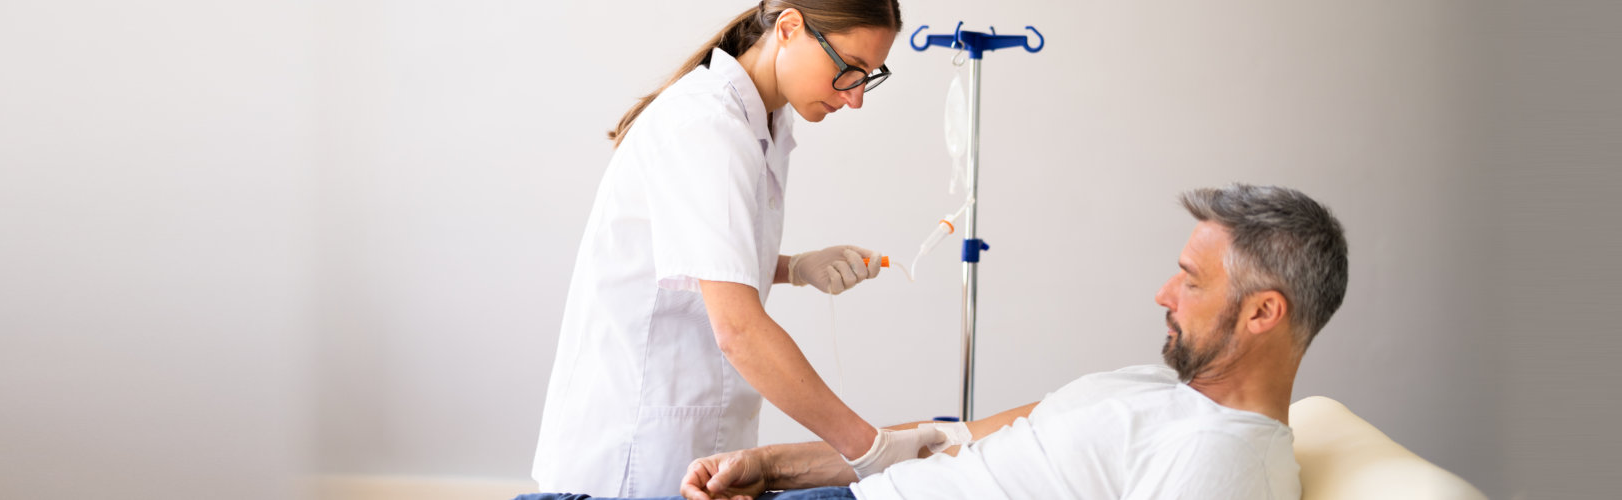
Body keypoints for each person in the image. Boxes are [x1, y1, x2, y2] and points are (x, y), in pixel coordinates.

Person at [517, 183, 1350, 500]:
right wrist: (773, 467)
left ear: (1263, 314)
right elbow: (946, 441)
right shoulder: (1152, 387)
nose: (1163, 294)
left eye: (1191, 282)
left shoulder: (1228, 458)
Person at [532, 1, 946, 497]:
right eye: (848, 71)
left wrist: (795, 268)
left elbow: (695, 255)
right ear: (790, 28)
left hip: (703, 433)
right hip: (634, 443)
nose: (855, 98)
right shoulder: (707, 124)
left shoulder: (766, 121)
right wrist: (870, 451)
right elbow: (739, 330)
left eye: (869, 76)